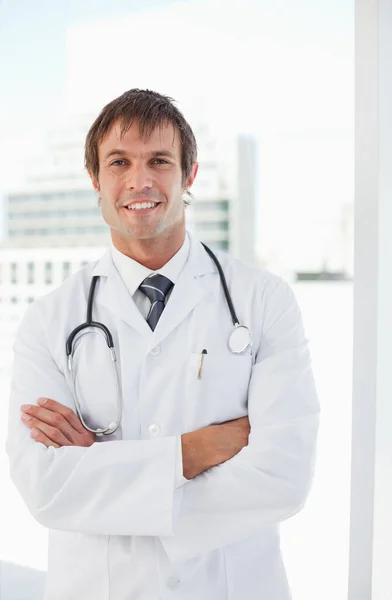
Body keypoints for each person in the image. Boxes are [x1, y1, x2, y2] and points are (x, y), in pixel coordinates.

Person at [6, 89, 320, 600]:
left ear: (189, 174)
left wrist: (107, 475)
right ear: (96, 180)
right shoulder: (49, 320)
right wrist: (190, 453)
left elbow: (284, 474)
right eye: (119, 162)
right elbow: (46, 487)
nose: (140, 180)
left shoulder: (264, 301)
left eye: (159, 160)